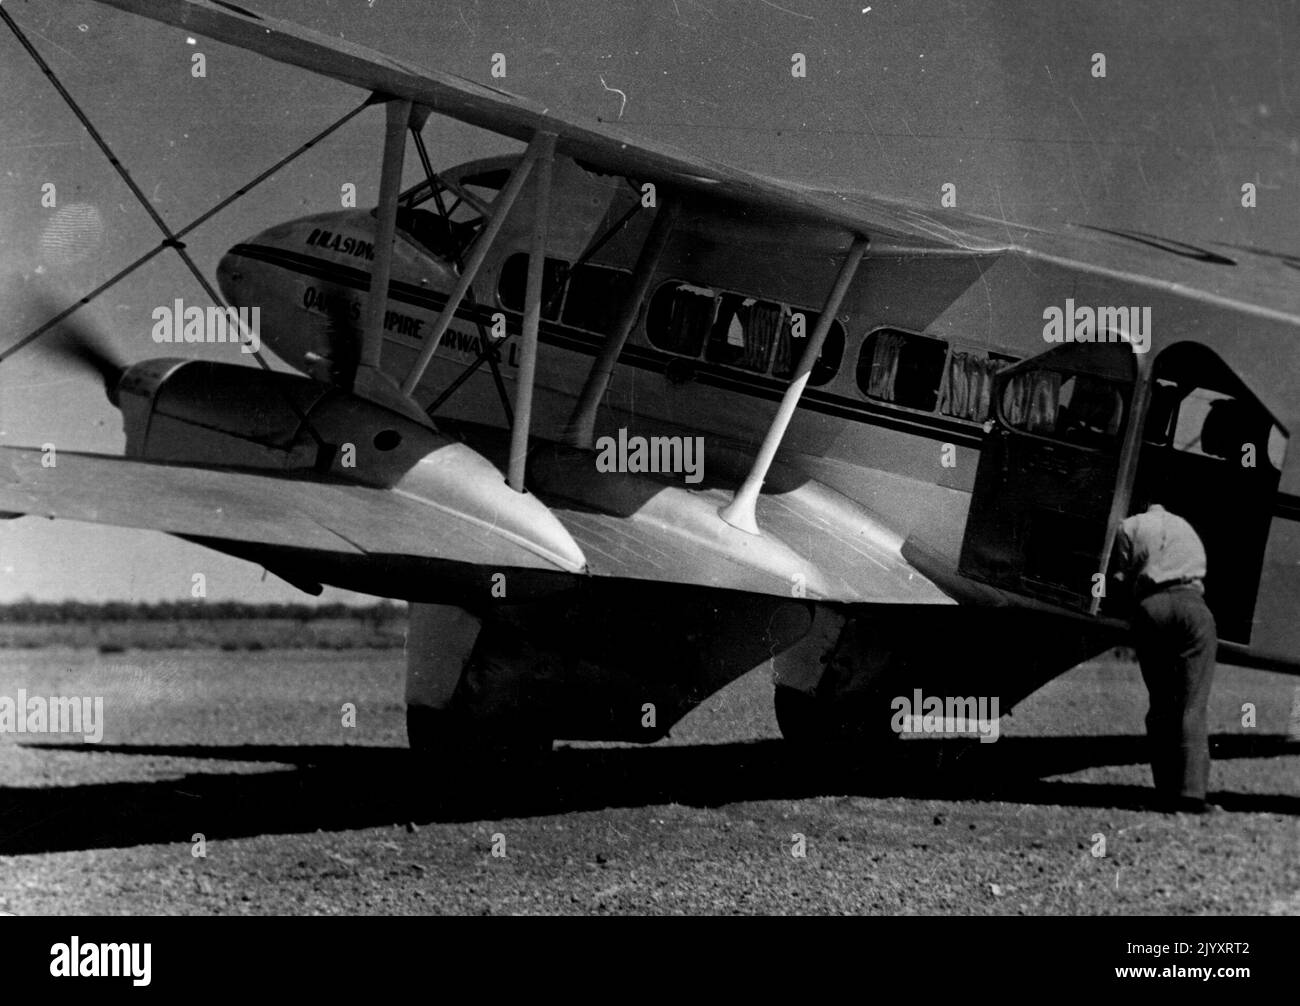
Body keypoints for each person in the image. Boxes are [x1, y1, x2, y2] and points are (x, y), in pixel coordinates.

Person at [1113, 503, 1219, 814]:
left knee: (1161, 704)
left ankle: (1164, 793)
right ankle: (1190, 795)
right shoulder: (1184, 525)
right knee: (1191, 705)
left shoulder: (1128, 526)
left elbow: (1120, 577)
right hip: (1191, 606)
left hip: (1152, 607)